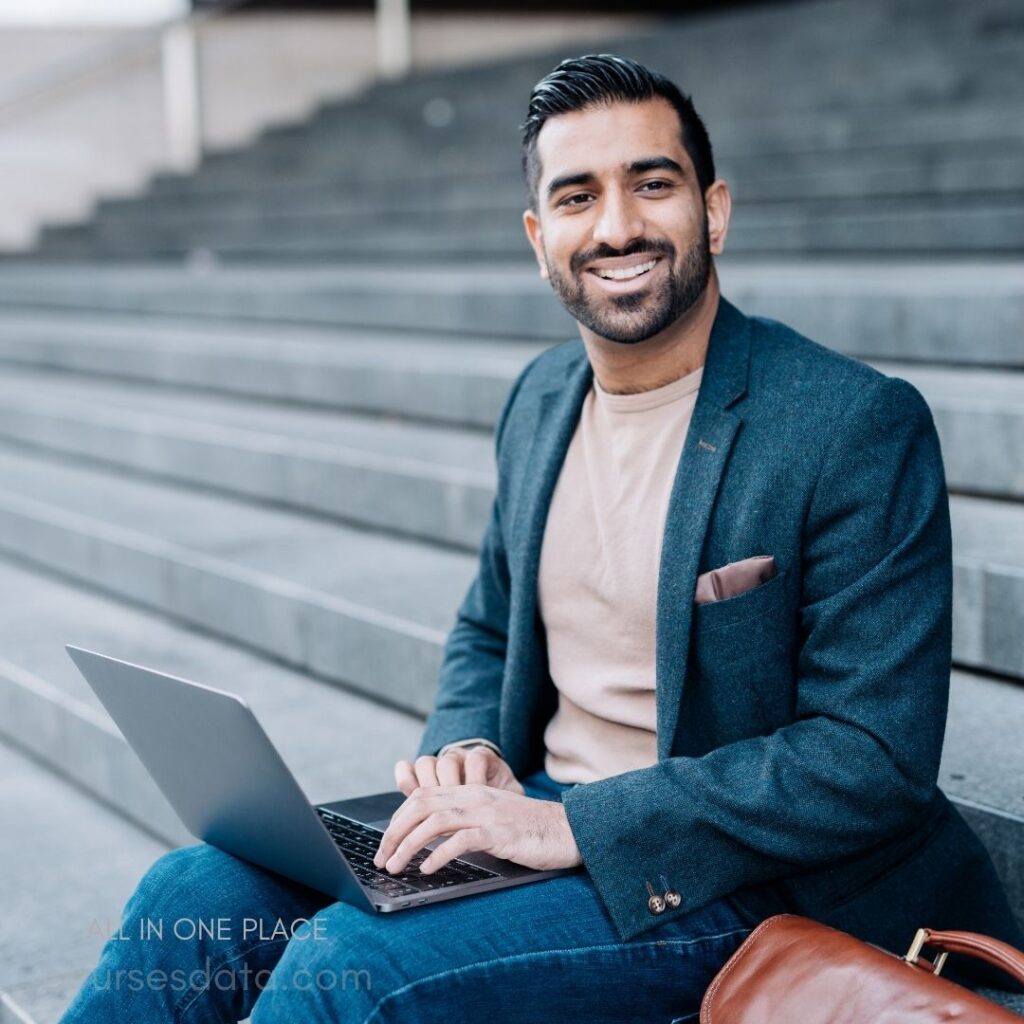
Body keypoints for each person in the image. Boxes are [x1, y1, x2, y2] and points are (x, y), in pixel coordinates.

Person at [59, 53, 1021, 1024]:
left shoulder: (849, 423)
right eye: (576, 196)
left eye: (652, 183)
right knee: (191, 898)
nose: (616, 226)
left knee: (345, 967)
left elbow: (870, 758)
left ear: (713, 210)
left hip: (732, 876)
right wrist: (466, 749)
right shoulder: (540, 401)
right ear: (538, 237)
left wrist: (577, 826)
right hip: (530, 811)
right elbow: (487, 626)